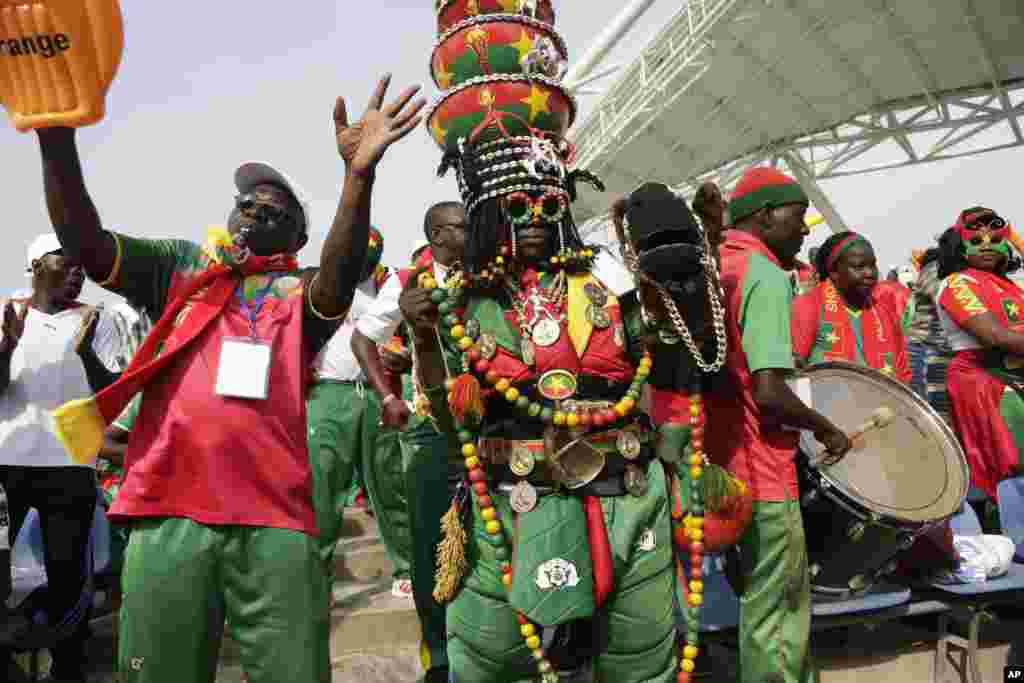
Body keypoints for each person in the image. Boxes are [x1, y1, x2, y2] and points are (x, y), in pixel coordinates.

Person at [32, 74, 425, 683]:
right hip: (169, 514)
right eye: (248, 205)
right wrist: (54, 133)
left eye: (276, 214)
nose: (257, 213)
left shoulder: (301, 296)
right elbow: (86, 240)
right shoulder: (179, 268)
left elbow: (341, 275)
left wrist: (359, 177)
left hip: (274, 522)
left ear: (297, 240)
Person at [705, 167, 852, 683]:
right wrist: (827, 428)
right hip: (763, 470)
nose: (806, 229)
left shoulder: (717, 264)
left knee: (754, 602)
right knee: (779, 614)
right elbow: (768, 392)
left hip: (720, 469)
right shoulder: (763, 275)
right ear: (765, 215)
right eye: (797, 215)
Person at [351, 201, 466, 682]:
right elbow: (363, 339)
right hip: (431, 431)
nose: (473, 233)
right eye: (463, 227)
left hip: (494, 427)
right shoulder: (408, 279)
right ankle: (438, 653)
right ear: (438, 235)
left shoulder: (493, 270)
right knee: (430, 544)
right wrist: (385, 397)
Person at [0, 233, 118, 683]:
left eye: (81, 266)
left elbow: (112, 392)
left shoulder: (93, 319)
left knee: (69, 575)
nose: (77, 272)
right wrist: (8, 348)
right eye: (65, 263)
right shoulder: (9, 312)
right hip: (8, 460)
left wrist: (86, 350)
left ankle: (68, 670)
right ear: (35, 266)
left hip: (71, 465)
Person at [305, 227, 411, 593]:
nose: (365, 260)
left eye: (372, 253)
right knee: (322, 488)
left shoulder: (388, 286)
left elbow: (410, 338)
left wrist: (403, 357)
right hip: (327, 393)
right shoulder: (315, 285)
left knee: (389, 482)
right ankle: (316, 577)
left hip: (376, 392)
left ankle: (405, 570)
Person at [936, 208, 1024, 503]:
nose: (986, 245)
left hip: (1015, 378)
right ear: (961, 247)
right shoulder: (957, 283)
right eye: (976, 240)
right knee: (1010, 471)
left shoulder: (1012, 286)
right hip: (985, 383)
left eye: (995, 238)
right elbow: (993, 336)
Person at [791, 231, 911, 382]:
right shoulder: (809, 306)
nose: (870, 273)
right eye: (859, 267)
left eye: (872, 265)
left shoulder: (885, 313)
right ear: (834, 271)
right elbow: (792, 372)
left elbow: (902, 377)